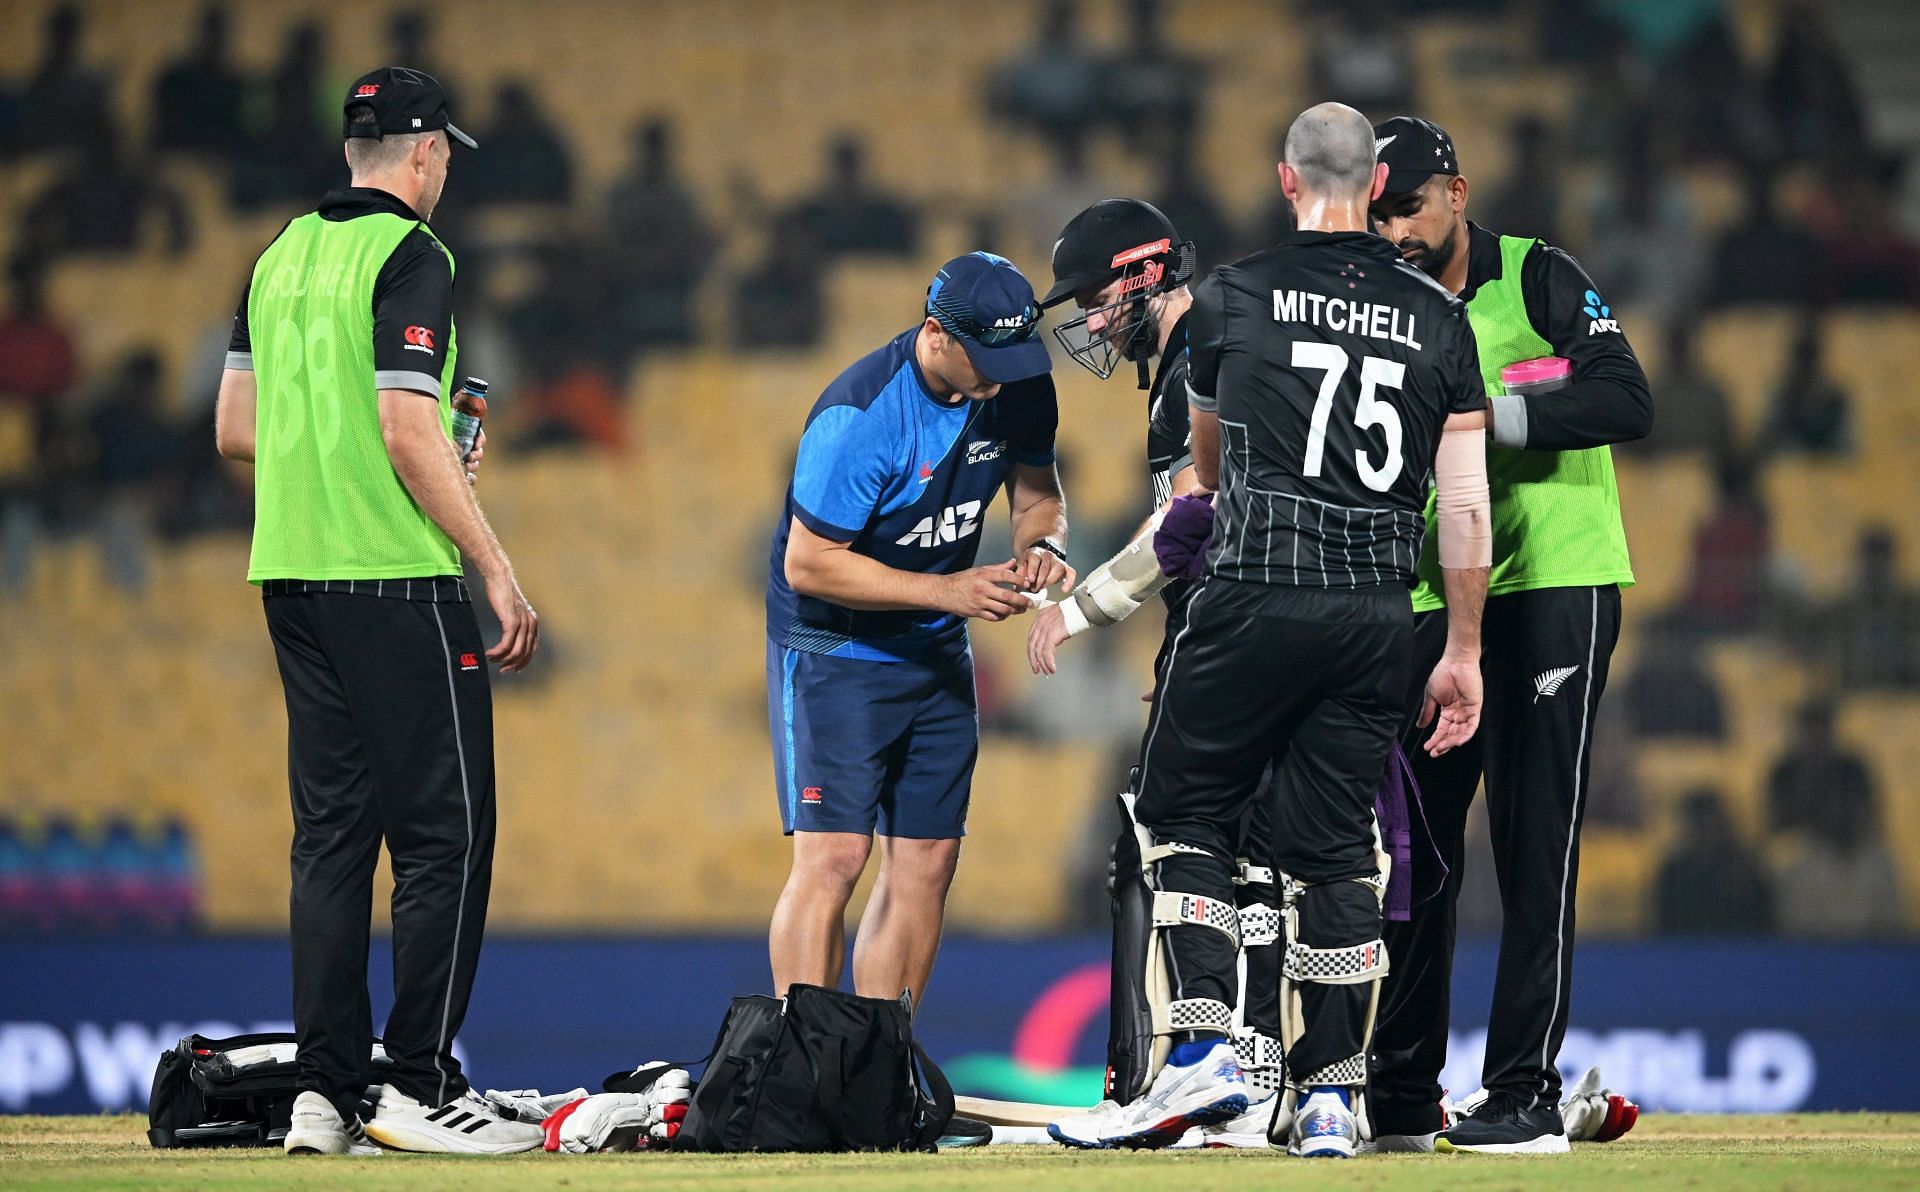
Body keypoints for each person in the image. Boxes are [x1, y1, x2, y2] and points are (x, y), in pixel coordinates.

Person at [1050, 102, 1491, 1159]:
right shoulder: (1442, 320)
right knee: (1337, 848)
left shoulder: (1233, 299)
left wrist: (1093, 600)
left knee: (1181, 808)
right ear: (1374, 190)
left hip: (1257, 588)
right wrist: (1464, 650)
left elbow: (1206, 478)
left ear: (1289, 183)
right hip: (1383, 610)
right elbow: (1467, 507)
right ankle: (1332, 1096)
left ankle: (1202, 1053)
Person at [214, 67, 543, 1157]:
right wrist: (491, 563)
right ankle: (416, 1083)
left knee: (331, 839)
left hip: (293, 576)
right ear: (424, 153)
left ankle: (324, 1092)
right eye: (443, 151)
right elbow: (409, 435)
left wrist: (365, 438)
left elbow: (235, 428)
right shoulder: (414, 255)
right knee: (446, 835)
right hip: (395, 575)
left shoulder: (278, 256)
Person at [1366, 115, 1653, 1154]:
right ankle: (1402, 1094)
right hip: (1434, 599)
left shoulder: (1535, 275)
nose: (1394, 228)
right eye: (1376, 212)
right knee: (1420, 855)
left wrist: (1490, 417)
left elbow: (1627, 395)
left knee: (1532, 843)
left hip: (1556, 584)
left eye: (1407, 205)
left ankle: (1524, 1091)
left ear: (1457, 191)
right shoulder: (1380, 304)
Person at [1027, 198, 1286, 1145]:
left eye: (1097, 299)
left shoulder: (1199, 352)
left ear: (1144, 274)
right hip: (1308, 619)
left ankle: (1154, 1077)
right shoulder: (1235, 328)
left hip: (1241, 625)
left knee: (1159, 835)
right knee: (1269, 858)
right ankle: (1267, 1082)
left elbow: (1186, 519)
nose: (1092, 322)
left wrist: (1083, 605)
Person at [764, 252, 1070, 1014]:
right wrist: (947, 590)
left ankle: (881, 1064)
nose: (1004, 377)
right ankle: (805, 1063)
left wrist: (1044, 543)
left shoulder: (1018, 383)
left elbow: (1037, 493)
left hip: (934, 643)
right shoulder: (859, 417)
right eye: (988, 358)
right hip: (837, 648)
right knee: (834, 857)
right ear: (936, 334)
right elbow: (810, 564)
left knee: (928, 860)